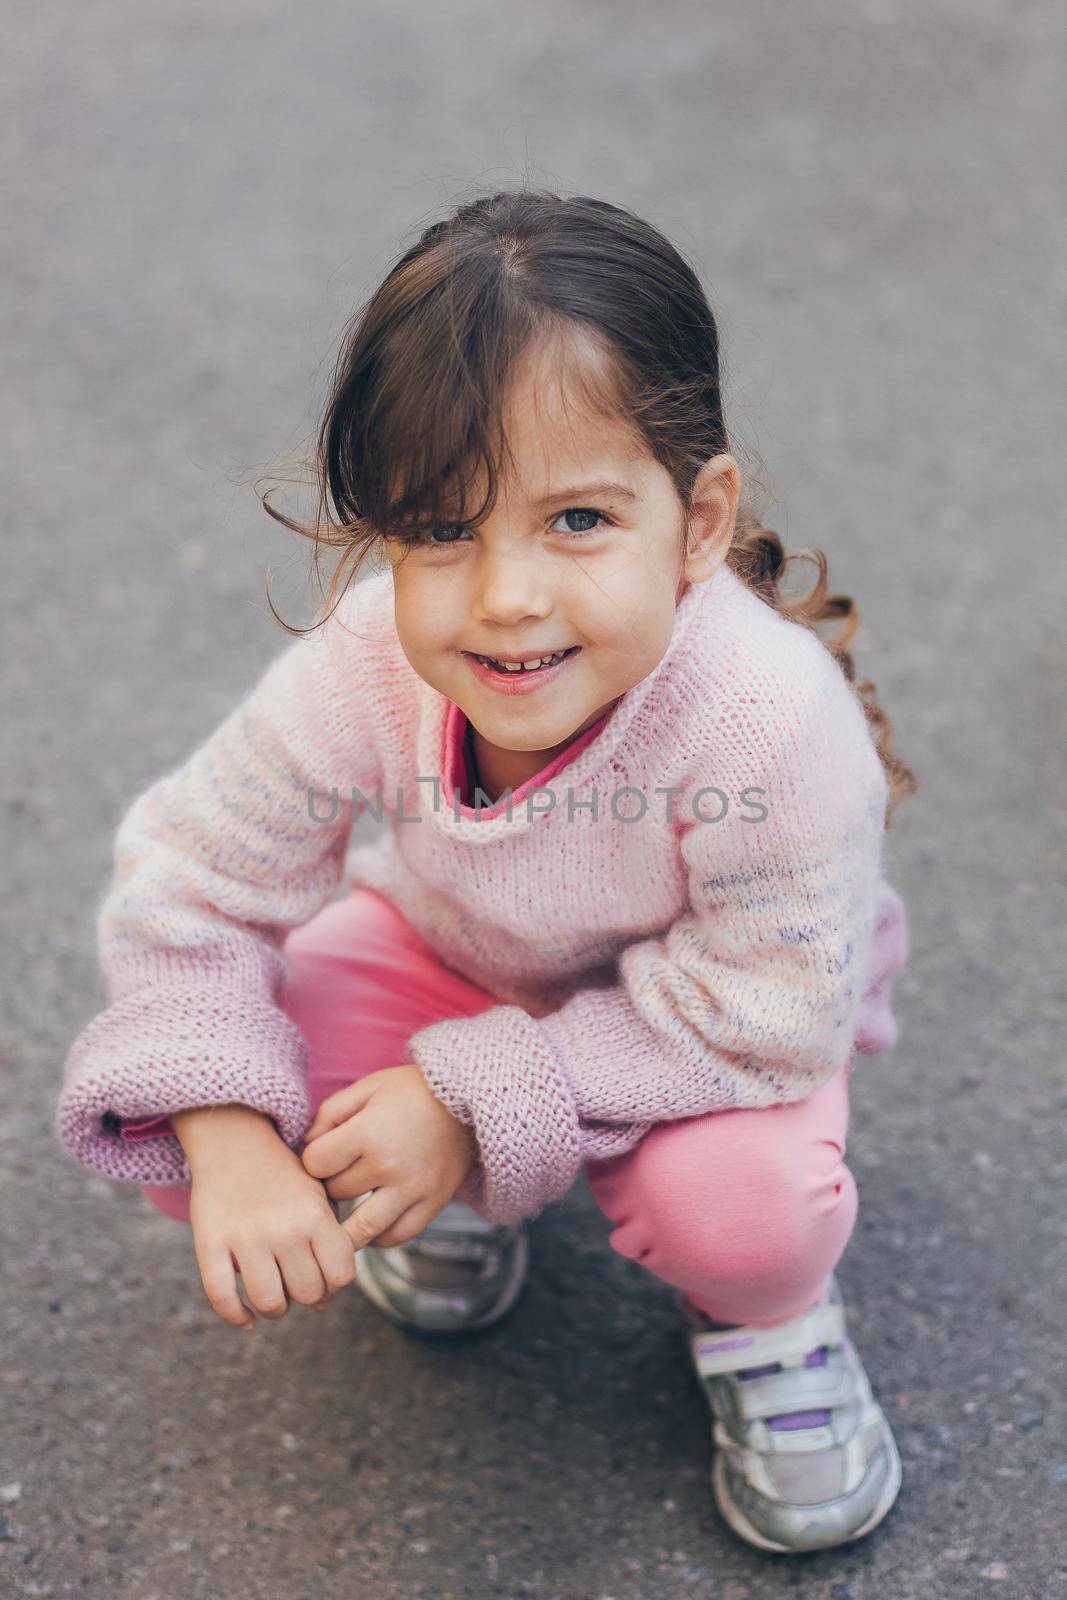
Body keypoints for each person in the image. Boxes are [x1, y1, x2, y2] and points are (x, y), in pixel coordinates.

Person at [55, 189, 916, 1556]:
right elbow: (191, 872)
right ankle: (441, 1183)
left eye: (578, 520)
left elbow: (768, 1008)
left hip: (712, 1027)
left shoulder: (769, 717)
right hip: (452, 958)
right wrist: (225, 1134)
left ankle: (771, 1331)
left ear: (697, 523)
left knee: (745, 1219)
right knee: (236, 1112)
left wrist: (470, 1106)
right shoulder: (367, 659)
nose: (506, 595)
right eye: (442, 530)